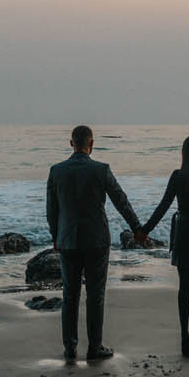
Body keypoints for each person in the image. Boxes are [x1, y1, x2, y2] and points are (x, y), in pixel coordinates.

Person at [45, 124, 146, 361]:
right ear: (91, 144)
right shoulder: (101, 170)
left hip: (68, 240)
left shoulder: (56, 171)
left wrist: (55, 236)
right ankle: (94, 347)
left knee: (70, 294)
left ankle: (70, 348)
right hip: (97, 240)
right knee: (95, 295)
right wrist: (137, 229)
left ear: (71, 143)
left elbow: (52, 210)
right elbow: (121, 201)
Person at [139, 134, 189, 357]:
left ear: (184, 154)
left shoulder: (178, 176)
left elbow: (164, 206)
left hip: (184, 230)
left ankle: (184, 336)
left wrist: (144, 230)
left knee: (184, 286)